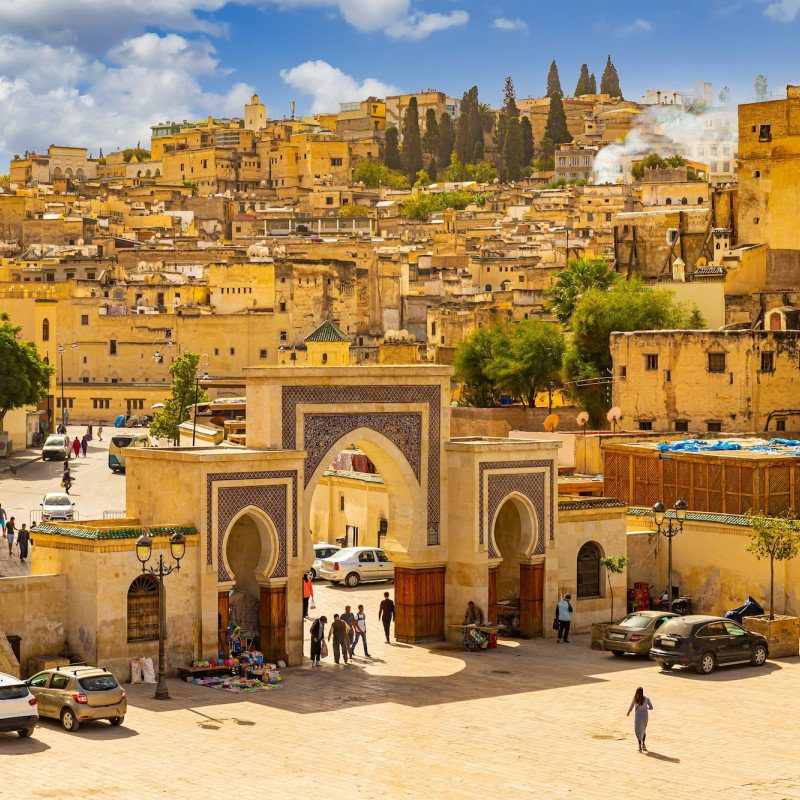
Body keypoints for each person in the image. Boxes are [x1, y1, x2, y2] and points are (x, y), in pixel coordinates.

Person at [627, 686, 653, 753]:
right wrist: (645, 708)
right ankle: (644, 745)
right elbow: (651, 707)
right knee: (643, 730)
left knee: (637, 731)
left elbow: (631, 706)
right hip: (645, 717)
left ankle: (639, 748)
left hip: (638, 717)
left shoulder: (635, 699)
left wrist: (628, 712)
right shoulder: (647, 699)